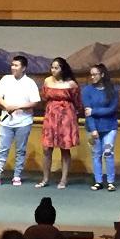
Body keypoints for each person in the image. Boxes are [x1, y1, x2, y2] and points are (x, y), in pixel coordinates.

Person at [0, 56, 40, 187]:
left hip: (24, 121)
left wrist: (17, 107)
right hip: (6, 121)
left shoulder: (30, 83)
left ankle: (17, 176)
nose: (13, 67)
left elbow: (35, 102)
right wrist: (6, 105)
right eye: (12, 65)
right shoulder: (5, 79)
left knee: (20, 150)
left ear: (24, 68)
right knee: (2, 149)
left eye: (16, 65)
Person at [35, 57, 82, 189]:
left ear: (63, 69)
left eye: (56, 68)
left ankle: (63, 180)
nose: (53, 70)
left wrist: (73, 115)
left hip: (67, 116)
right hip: (51, 115)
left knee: (64, 149)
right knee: (46, 148)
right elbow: (45, 96)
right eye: (52, 67)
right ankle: (45, 179)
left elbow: (77, 102)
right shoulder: (47, 81)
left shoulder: (71, 84)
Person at [82, 63, 119, 191]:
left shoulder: (112, 90)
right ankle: (98, 181)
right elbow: (87, 113)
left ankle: (110, 181)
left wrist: (94, 111)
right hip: (93, 128)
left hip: (110, 127)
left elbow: (112, 109)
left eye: (95, 74)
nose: (92, 77)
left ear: (102, 75)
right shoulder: (87, 90)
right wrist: (93, 130)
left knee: (108, 153)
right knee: (96, 154)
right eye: (91, 74)